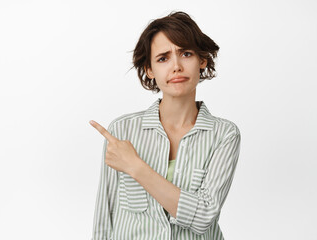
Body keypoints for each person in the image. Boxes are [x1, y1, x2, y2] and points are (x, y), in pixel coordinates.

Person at [89, 10, 241, 240]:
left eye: (186, 53)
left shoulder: (224, 134)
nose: (176, 66)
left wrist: (135, 167)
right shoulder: (122, 131)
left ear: (202, 60)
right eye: (163, 58)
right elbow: (104, 218)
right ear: (150, 70)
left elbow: (203, 217)